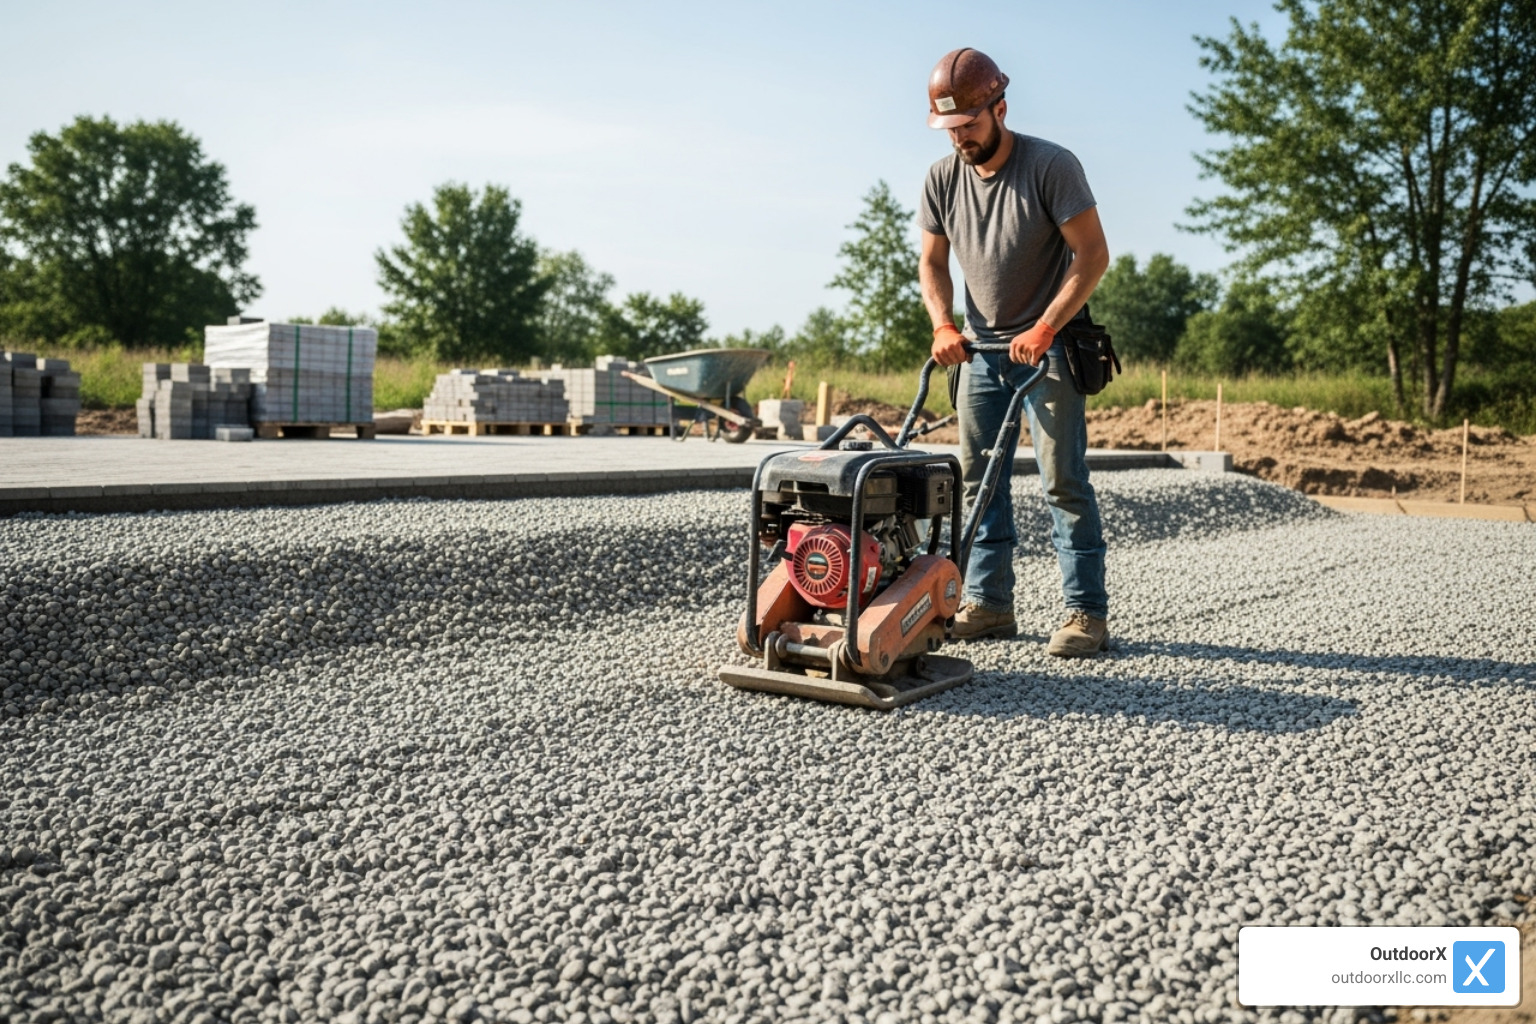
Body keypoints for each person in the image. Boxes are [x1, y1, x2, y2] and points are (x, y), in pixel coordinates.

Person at [917, 47, 1112, 657]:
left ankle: (1086, 614)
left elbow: (1092, 256)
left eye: (970, 125)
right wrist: (943, 325)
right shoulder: (942, 178)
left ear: (999, 107)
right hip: (980, 351)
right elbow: (931, 261)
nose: (960, 140)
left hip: (1048, 350)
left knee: (1063, 481)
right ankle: (990, 603)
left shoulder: (1051, 166)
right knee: (979, 481)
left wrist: (1048, 326)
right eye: (950, 129)